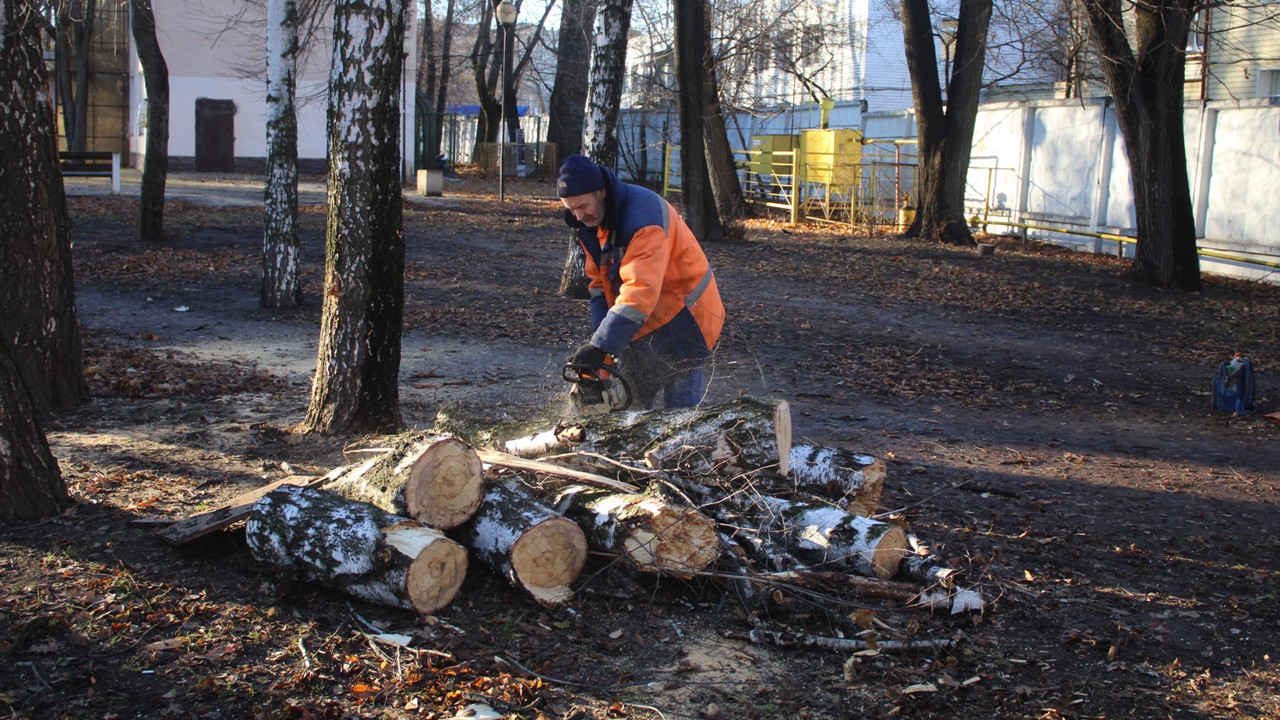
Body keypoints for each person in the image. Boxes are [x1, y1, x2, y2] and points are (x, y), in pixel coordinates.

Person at [557, 154, 725, 409]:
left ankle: (684, 448)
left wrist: (601, 345)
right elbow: (599, 286)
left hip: (688, 315)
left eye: (582, 206)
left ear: (600, 192)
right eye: (571, 209)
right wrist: (600, 342)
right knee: (631, 401)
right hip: (647, 316)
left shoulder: (643, 220)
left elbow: (639, 292)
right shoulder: (592, 224)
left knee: (679, 411)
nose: (579, 216)